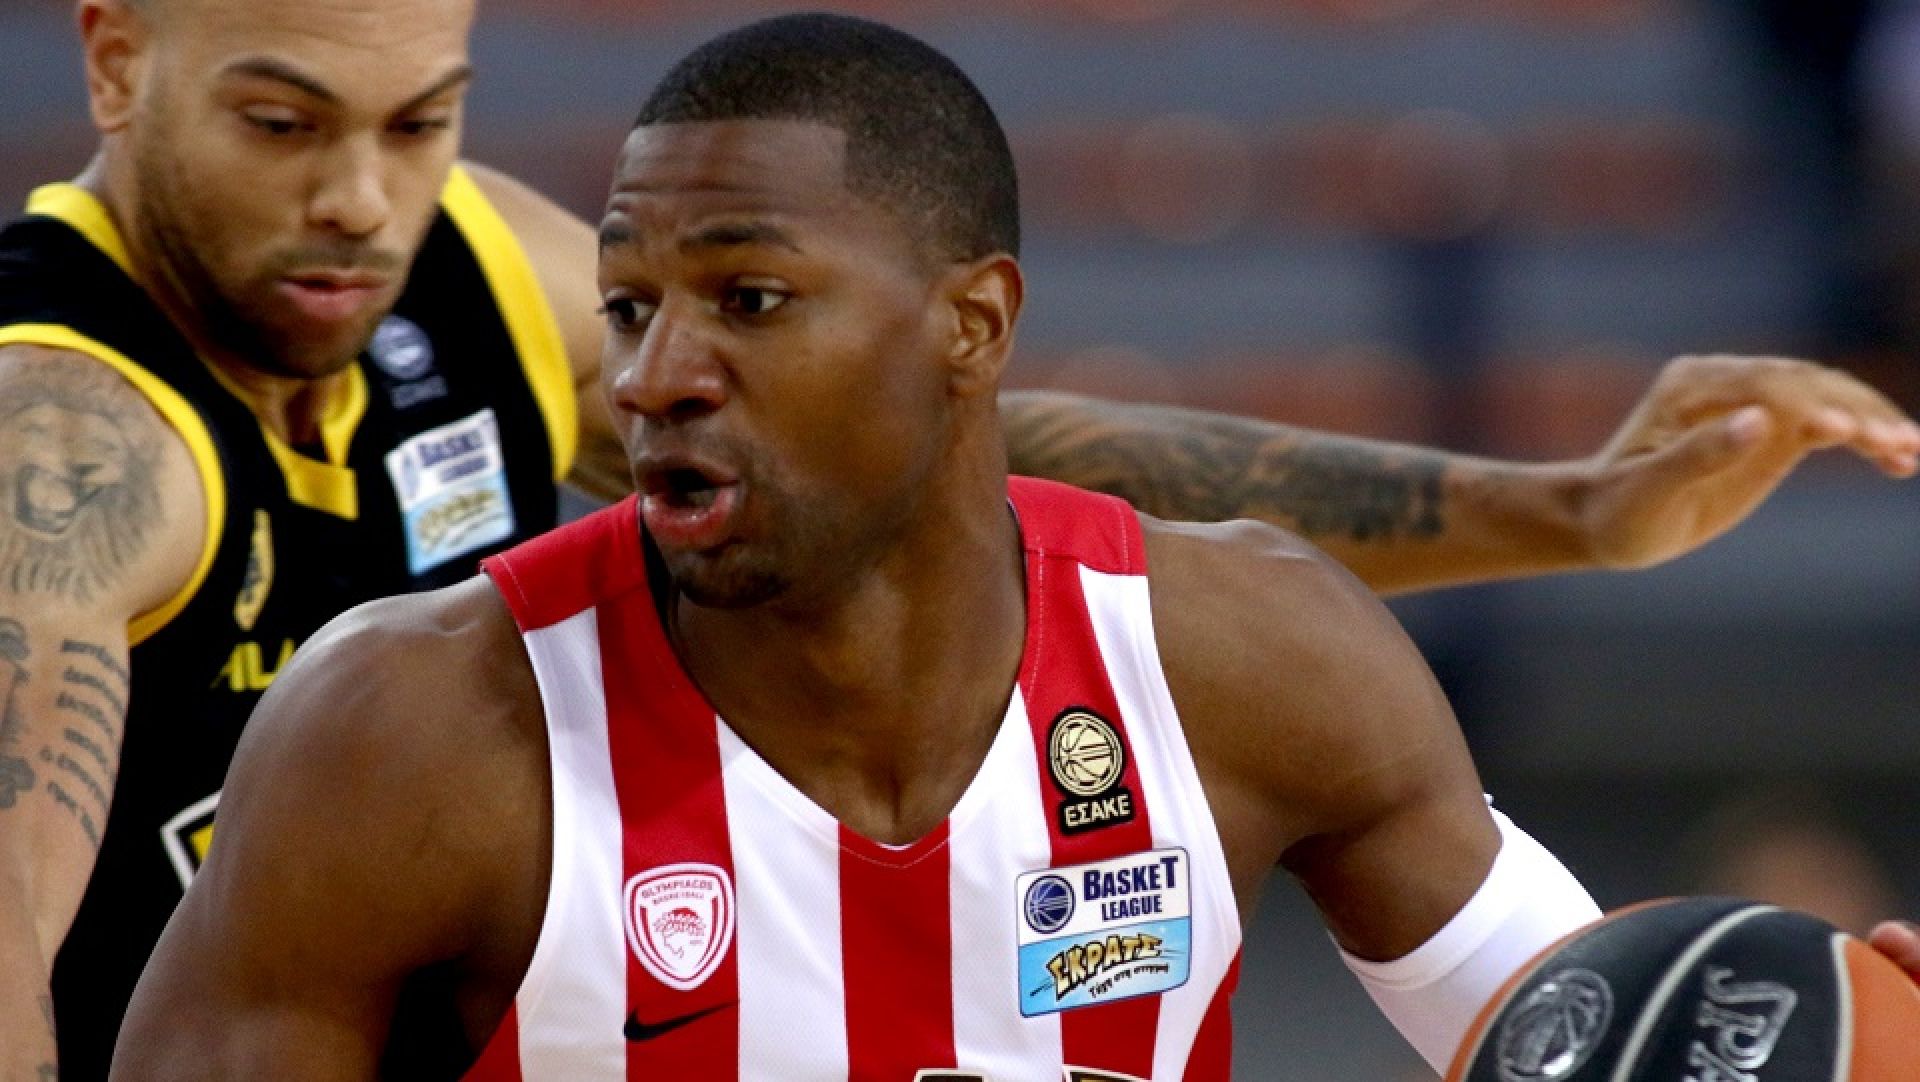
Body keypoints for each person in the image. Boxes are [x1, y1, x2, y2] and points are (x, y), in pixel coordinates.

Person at [4, 0, 1916, 1078]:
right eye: (636, 310)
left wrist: (1575, 511)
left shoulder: (1250, 655)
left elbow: (1584, 1026)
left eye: (745, 302)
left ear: (975, 325)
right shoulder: (379, 712)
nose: (650, 375)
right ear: (117, 65)